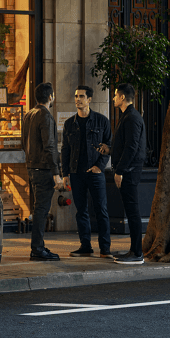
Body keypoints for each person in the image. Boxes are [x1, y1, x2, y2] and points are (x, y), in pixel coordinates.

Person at [61, 85, 112, 257]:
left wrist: (99, 166)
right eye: (76, 96)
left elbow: (109, 146)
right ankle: (86, 246)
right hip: (76, 173)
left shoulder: (102, 121)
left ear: (89, 99)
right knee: (81, 210)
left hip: (95, 173)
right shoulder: (70, 124)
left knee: (101, 210)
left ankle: (105, 248)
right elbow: (65, 150)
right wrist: (65, 173)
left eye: (81, 96)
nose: (77, 99)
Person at [23, 82, 63, 261]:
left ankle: (38, 246)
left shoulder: (29, 114)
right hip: (44, 168)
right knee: (41, 209)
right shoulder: (45, 116)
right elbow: (50, 145)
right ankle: (37, 249)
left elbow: (24, 142)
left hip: (32, 167)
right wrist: (56, 172)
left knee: (38, 208)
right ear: (51, 97)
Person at [110, 84, 147, 262]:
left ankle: (137, 253)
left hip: (129, 172)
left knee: (132, 212)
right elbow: (125, 145)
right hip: (128, 170)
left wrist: (120, 171)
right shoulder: (128, 116)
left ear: (123, 97)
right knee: (131, 211)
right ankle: (134, 250)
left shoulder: (132, 117)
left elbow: (131, 147)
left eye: (115, 95)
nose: (113, 98)